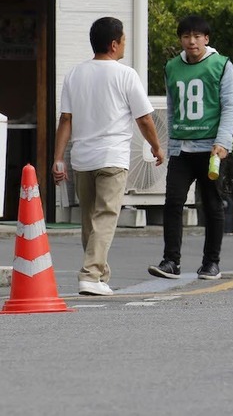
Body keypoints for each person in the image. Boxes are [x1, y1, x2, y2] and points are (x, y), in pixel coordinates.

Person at [52, 17, 164, 296]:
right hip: (113, 158)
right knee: (105, 217)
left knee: (90, 220)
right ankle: (90, 274)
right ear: (114, 44)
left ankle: (99, 275)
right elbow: (145, 119)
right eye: (124, 39)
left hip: (82, 159)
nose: (125, 43)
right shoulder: (125, 75)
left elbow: (66, 119)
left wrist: (58, 158)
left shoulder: (75, 74)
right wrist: (156, 146)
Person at [148, 15, 233, 281]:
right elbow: (173, 107)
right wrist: (170, 144)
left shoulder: (222, 65)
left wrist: (223, 142)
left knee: (212, 205)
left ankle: (211, 263)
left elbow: (230, 105)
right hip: (181, 148)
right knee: (173, 203)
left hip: (210, 148)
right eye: (186, 36)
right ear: (181, 39)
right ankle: (170, 262)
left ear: (206, 39)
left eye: (197, 36)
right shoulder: (172, 67)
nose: (192, 41)